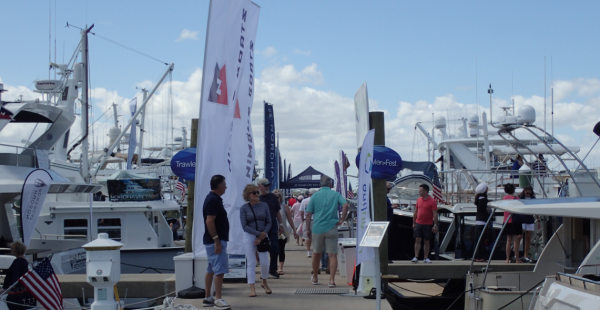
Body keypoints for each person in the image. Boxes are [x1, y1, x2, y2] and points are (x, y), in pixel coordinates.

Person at [306, 175, 348, 288]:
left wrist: (307, 229)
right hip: (332, 227)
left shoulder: (315, 196)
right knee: (332, 254)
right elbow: (345, 205)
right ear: (331, 184)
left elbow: (308, 213)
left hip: (318, 228)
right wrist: (342, 219)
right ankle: (331, 280)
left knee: (316, 253)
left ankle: (315, 277)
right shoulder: (336, 194)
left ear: (321, 184)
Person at [202, 175, 231, 310]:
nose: (226, 187)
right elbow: (209, 220)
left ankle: (208, 297)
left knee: (211, 269)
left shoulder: (213, 199)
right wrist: (217, 241)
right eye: (224, 184)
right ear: (219, 185)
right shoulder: (213, 200)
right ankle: (218, 299)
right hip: (214, 241)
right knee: (219, 270)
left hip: (212, 241)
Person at [239, 184, 272, 297]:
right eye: (253, 193)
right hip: (249, 235)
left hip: (263, 235)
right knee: (251, 262)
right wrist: (258, 234)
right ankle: (252, 287)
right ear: (248, 194)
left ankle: (264, 282)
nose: (256, 194)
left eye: (257, 192)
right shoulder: (244, 208)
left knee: (264, 263)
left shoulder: (264, 205)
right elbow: (244, 226)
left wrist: (262, 235)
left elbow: (269, 221)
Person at [256, 178, 283, 279]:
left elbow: (277, 211)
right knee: (262, 248)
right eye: (265, 185)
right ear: (259, 185)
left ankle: (273, 269)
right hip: (260, 226)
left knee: (275, 247)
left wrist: (281, 224)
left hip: (272, 225)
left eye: (268, 185)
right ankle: (264, 271)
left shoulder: (272, 196)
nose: (267, 187)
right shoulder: (256, 197)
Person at [2, 241, 35, 310]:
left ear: (15, 250)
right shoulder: (25, 262)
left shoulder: (17, 262)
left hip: (15, 292)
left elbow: (15, 277)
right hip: (23, 290)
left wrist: (9, 288)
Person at [411, 184, 438, 263]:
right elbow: (416, 211)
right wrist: (414, 222)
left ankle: (426, 257)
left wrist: (435, 225)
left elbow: (435, 214)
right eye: (419, 191)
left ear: (425, 191)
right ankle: (416, 256)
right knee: (417, 239)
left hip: (428, 224)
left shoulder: (432, 201)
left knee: (427, 241)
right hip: (418, 223)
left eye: (421, 191)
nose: (419, 192)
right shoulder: (418, 200)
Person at [273, 189, 297, 275]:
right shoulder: (269, 206)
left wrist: (294, 230)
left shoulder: (284, 206)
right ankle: (273, 267)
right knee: (273, 250)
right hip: (272, 231)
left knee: (281, 249)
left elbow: (290, 219)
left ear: (280, 197)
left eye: (278, 197)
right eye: (274, 197)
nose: (276, 199)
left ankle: (280, 267)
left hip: (283, 231)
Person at [502, 183, 521, 264]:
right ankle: (517, 259)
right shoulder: (516, 198)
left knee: (508, 240)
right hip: (515, 221)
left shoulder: (504, 198)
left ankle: (507, 259)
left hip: (506, 220)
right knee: (516, 240)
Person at [519, 186, 536, 263]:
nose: (528, 194)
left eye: (529, 193)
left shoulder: (533, 199)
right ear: (524, 192)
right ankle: (516, 253)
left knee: (528, 238)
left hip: (530, 219)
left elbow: (536, 209)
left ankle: (526, 255)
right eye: (527, 193)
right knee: (519, 236)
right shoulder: (520, 198)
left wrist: (538, 220)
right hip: (522, 219)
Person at [474, 183, 490, 262]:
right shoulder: (484, 200)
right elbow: (488, 210)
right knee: (481, 241)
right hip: (483, 221)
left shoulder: (479, 199)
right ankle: (479, 257)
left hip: (478, 221)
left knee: (477, 240)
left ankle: (476, 256)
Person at [300, 189, 316, 257]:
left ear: (309, 194)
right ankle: (315, 250)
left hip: (307, 220)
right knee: (316, 236)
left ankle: (308, 251)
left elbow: (301, 212)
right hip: (316, 220)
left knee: (307, 236)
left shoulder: (304, 201)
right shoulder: (317, 200)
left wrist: (302, 220)